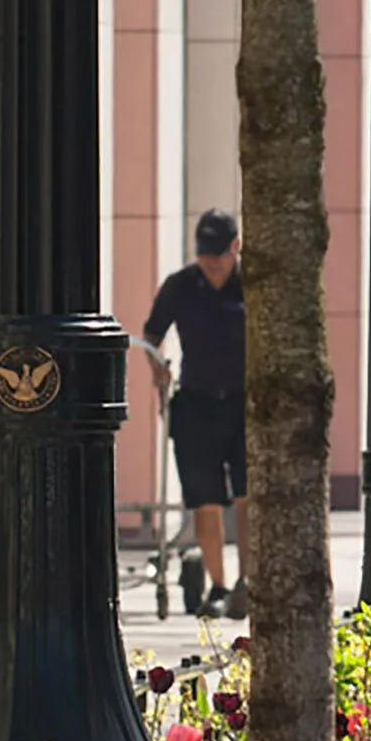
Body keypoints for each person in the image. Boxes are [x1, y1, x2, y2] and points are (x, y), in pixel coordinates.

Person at [143, 209, 250, 619]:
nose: (211, 262)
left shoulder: (251, 284)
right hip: (197, 401)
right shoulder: (181, 286)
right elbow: (153, 333)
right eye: (205, 254)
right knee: (204, 499)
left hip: (244, 401)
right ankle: (219, 586)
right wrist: (159, 366)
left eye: (219, 254)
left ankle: (247, 582)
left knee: (247, 495)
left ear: (236, 247)